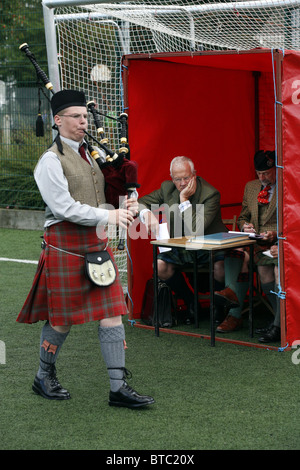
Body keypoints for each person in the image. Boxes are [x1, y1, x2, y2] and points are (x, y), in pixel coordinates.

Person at [16, 89, 155, 408]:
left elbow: (107, 190)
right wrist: (110, 214)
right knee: (61, 320)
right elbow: (64, 207)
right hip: (65, 246)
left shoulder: (93, 156)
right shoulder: (50, 161)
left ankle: (118, 388)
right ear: (57, 120)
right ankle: (43, 376)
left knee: (112, 312)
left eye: (84, 116)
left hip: (96, 245)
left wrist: (128, 197)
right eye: (75, 116)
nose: (82, 121)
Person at [138, 156, 227, 323]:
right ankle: (192, 303)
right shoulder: (167, 188)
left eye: (186, 177)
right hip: (182, 247)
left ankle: (219, 307)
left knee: (221, 266)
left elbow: (196, 229)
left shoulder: (210, 194)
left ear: (194, 174)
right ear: (172, 178)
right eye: (178, 179)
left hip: (209, 246)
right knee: (159, 266)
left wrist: (184, 200)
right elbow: (139, 202)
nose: (183, 183)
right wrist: (147, 214)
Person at [215, 150, 280, 342]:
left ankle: (278, 322)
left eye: (266, 173)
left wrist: (275, 235)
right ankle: (233, 305)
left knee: (266, 269)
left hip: (279, 242)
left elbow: (293, 218)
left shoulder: (287, 186)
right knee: (234, 252)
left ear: (276, 169)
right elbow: (243, 215)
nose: (262, 177)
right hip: (254, 242)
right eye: (258, 173)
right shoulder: (251, 187)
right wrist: (245, 225)